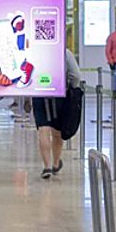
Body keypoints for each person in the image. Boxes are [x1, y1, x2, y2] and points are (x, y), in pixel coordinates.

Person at [32, 47, 81, 179]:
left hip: (39, 92)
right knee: (57, 132)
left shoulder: (35, 51)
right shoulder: (64, 52)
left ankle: (46, 166)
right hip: (59, 93)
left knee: (43, 129)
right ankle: (55, 164)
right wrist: (72, 87)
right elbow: (76, 75)